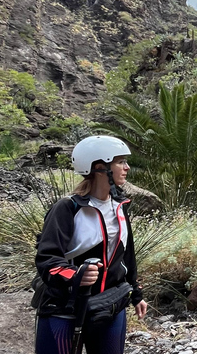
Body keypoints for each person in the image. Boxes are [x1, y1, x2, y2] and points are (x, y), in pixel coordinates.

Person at [34, 135, 148, 354]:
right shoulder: (67, 208)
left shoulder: (120, 205)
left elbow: (127, 256)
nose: (127, 167)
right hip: (65, 308)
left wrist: (136, 294)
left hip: (110, 306)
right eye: (120, 162)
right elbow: (46, 259)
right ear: (99, 167)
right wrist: (75, 275)